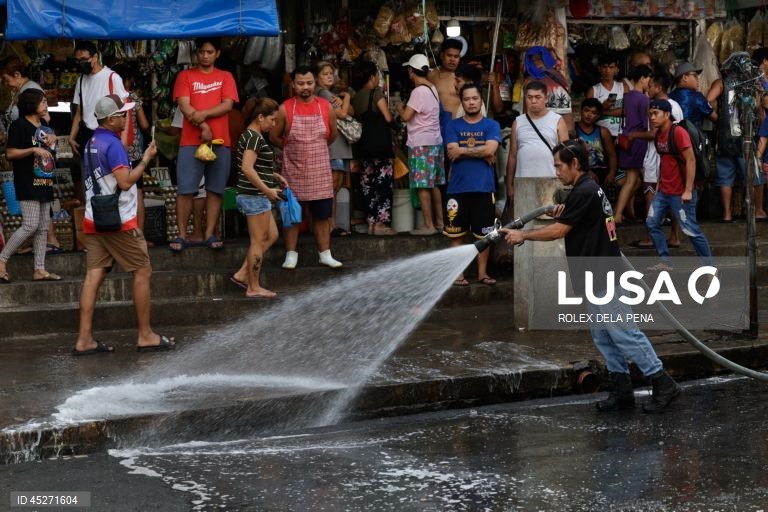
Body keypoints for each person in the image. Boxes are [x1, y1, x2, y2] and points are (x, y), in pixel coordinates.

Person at [500, 138, 681, 413]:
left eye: (559, 165)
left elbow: (558, 231)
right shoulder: (586, 190)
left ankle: (663, 382)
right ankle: (622, 392)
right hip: (593, 276)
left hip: (604, 276)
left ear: (575, 164)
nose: (556, 171)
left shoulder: (585, 191)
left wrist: (522, 234)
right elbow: (575, 219)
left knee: (625, 334)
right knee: (604, 337)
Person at [72, 94, 175, 355]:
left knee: (93, 276)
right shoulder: (114, 145)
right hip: (119, 222)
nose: (125, 117)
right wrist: (147, 158)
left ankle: (84, 339)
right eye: (122, 114)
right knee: (142, 271)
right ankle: (146, 335)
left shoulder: (91, 141)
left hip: (95, 218)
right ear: (110, 119)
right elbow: (126, 182)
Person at [271, 65, 342, 269]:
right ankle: (291, 254)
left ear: (315, 83)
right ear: (293, 85)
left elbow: (332, 135)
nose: (305, 87)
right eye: (300, 83)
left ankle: (325, 254)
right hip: (293, 170)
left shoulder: (326, 107)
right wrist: (290, 147)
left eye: (309, 83)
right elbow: (274, 136)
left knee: (322, 215)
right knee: (292, 213)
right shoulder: (285, 108)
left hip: (320, 168)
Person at [171, 37, 238, 252]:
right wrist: (204, 127)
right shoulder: (185, 76)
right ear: (196, 53)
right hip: (191, 141)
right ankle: (181, 234)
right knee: (186, 189)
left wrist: (203, 115)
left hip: (221, 141)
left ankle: (209, 233)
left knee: (215, 189)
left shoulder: (226, 77)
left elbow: (227, 105)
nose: (205, 56)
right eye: (201, 52)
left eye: (209, 52)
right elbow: (184, 105)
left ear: (217, 53)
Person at [0, 56, 63, 253]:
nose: (6, 83)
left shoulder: (31, 91)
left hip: (34, 162)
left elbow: (45, 122)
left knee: (36, 222)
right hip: (27, 159)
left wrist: (50, 137)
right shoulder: (20, 94)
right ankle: (39, 253)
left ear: (17, 74)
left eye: (6, 79)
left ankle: (46, 246)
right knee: (34, 221)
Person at [444, 83, 501, 286]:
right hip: (457, 188)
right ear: (462, 102)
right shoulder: (452, 125)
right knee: (456, 234)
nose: (471, 102)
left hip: (484, 188)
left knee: (484, 235)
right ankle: (458, 274)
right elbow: (452, 150)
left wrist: (464, 151)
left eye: (474, 98)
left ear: (481, 100)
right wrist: (481, 150)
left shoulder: (491, 125)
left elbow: (491, 150)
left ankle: (482, 273)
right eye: (467, 99)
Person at [646, 99, 714, 271]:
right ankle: (665, 261)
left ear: (667, 114)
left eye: (656, 114)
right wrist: (659, 186)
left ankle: (710, 269)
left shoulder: (678, 133)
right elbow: (664, 161)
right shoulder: (658, 135)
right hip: (664, 192)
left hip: (681, 192)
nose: (652, 118)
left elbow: (691, 160)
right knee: (652, 222)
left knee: (691, 231)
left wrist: (688, 190)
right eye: (650, 114)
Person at [229, 98, 287, 299]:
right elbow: (246, 168)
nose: (274, 124)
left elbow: (254, 166)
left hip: (254, 194)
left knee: (272, 235)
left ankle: (243, 273)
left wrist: (273, 176)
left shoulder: (250, 135)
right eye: (272, 120)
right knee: (257, 242)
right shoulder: (254, 137)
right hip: (255, 196)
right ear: (260, 117)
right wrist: (268, 190)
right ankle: (253, 286)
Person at [0, 89, 60, 283]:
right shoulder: (19, 126)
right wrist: (33, 149)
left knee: (43, 227)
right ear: (31, 105)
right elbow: (10, 153)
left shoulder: (44, 126)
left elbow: (50, 151)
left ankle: (39, 269)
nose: (45, 105)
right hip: (27, 180)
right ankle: (2, 260)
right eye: (42, 102)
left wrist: (53, 139)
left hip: (44, 179)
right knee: (30, 225)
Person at [397, 54, 445, 235]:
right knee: (434, 185)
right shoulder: (432, 88)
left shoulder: (418, 92)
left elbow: (406, 116)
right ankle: (440, 223)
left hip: (421, 144)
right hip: (435, 141)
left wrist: (399, 108)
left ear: (411, 71)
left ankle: (428, 225)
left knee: (423, 185)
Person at [351, 60, 396, 236]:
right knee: (383, 183)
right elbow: (386, 117)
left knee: (368, 184)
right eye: (377, 75)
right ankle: (381, 224)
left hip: (365, 146)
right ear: (372, 77)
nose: (379, 78)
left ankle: (371, 223)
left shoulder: (356, 96)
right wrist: (396, 123)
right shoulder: (375, 93)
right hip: (380, 147)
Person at [112, 64, 153, 243]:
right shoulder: (133, 97)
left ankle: (120, 237)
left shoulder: (111, 99)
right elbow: (144, 124)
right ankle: (139, 235)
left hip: (115, 151)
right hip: (135, 152)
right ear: (127, 80)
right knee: (137, 193)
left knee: (116, 192)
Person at [506, 80, 569, 197]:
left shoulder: (557, 120)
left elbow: (566, 155)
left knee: (549, 215)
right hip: (523, 181)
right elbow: (512, 156)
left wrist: (565, 181)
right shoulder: (518, 122)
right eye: (529, 97)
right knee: (524, 215)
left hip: (551, 180)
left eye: (537, 97)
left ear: (546, 98)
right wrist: (509, 185)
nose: (533, 101)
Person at [68, 41, 128, 157]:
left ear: (95, 57)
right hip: (87, 135)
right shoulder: (80, 80)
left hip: (107, 135)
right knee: (88, 172)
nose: (81, 63)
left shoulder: (112, 77)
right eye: (78, 60)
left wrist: (123, 140)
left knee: (108, 173)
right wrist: (71, 137)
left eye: (84, 59)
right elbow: (79, 112)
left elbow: (124, 111)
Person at [315, 61, 354, 236]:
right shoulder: (323, 93)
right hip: (333, 146)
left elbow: (351, 111)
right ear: (317, 78)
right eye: (325, 73)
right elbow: (344, 113)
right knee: (332, 185)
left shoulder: (330, 93)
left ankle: (332, 224)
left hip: (337, 145)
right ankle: (329, 225)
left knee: (335, 186)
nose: (329, 76)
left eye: (331, 73)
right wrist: (347, 98)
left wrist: (343, 100)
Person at [613, 65, 652, 225]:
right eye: (648, 78)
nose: (649, 82)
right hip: (639, 142)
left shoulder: (627, 96)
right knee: (633, 181)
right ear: (642, 78)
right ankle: (617, 214)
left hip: (627, 141)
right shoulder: (643, 99)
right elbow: (647, 124)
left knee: (633, 181)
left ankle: (617, 211)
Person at [575, 98, 617, 187]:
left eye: (593, 113)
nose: (589, 115)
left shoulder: (603, 132)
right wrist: (586, 171)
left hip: (602, 173)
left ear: (598, 116)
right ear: (581, 111)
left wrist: (612, 173)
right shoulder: (573, 130)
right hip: (580, 171)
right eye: (586, 110)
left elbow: (612, 155)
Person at [586, 52, 627, 139]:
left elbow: (627, 111)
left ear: (616, 69)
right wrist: (603, 107)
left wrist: (602, 111)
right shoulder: (593, 90)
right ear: (599, 68)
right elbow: (588, 116)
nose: (607, 71)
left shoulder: (623, 87)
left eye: (611, 67)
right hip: (601, 135)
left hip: (621, 134)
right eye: (604, 67)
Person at [668, 62, 717, 130]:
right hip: (692, 139)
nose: (697, 80)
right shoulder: (697, 97)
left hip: (672, 138)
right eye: (695, 76)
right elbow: (715, 118)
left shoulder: (669, 97)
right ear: (685, 78)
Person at [428, 38, 463, 118]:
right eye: (449, 55)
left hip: (458, 125)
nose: (452, 60)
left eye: (456, 56)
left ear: (459, 58)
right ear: (442, 55)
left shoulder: (462, 77)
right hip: (436, 126)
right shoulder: (431, 75)